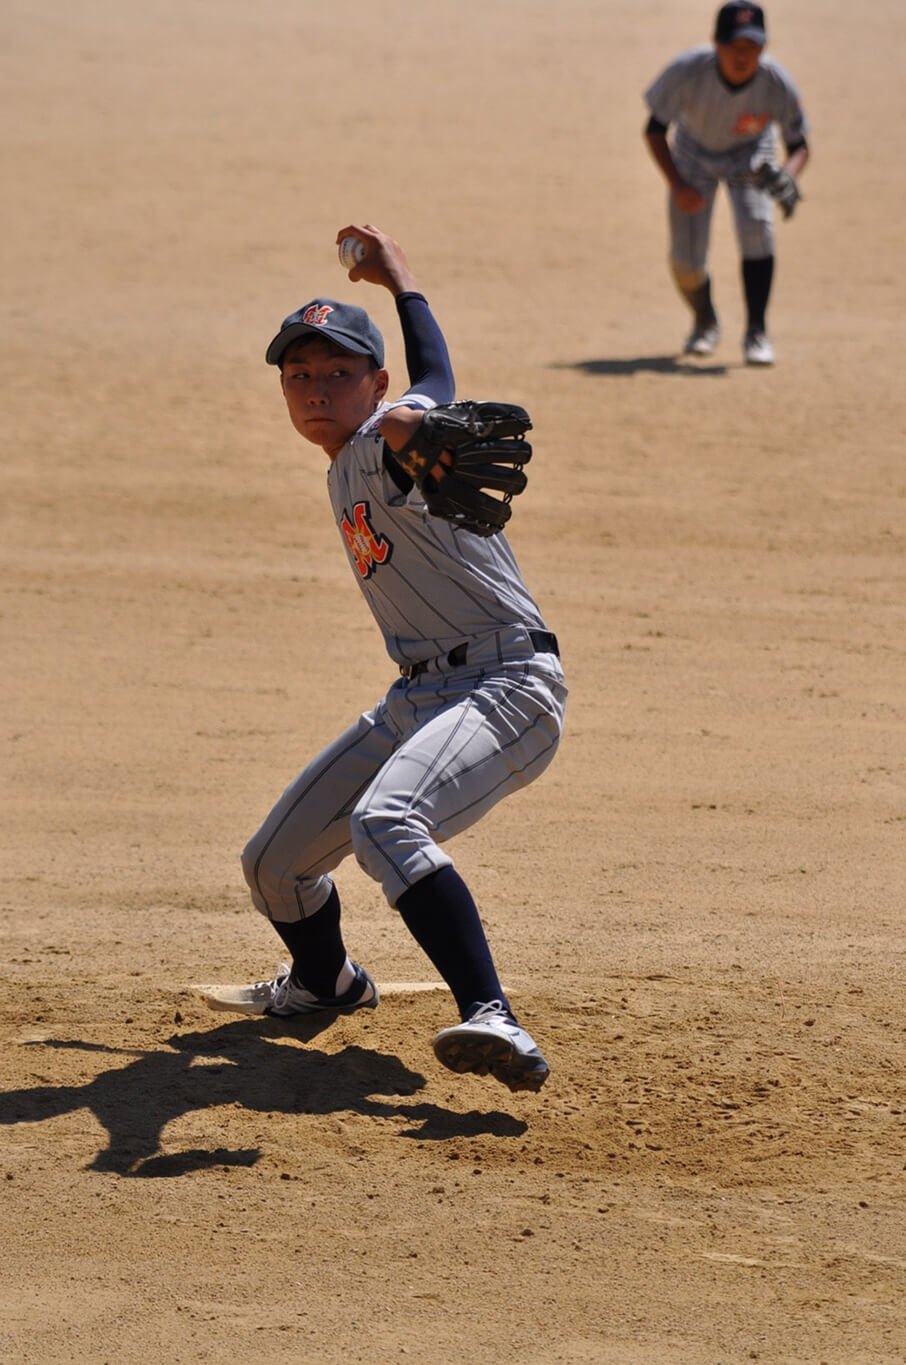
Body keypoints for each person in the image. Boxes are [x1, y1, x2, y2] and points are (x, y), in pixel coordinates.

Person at [213, 224, 567, 1094]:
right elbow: (436, 377)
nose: (314, 388)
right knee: (273, 865)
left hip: (506, 685)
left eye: (337, 373)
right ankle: (326, 981)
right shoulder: (346, 455)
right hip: (420, 696)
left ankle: (493, 1013)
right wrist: (398, 274)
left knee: (386, 823)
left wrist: (410, 424)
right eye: (298, 375)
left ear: (371, 384)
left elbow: (418, 410)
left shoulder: (383, 441)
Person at [643, 1, 810, 366]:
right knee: (685, 262)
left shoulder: (775, 81)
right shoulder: (687, 71)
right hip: (692, 158)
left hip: (749, 157)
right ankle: (705, 321)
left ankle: (756, 331)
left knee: (758, 231)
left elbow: (799, 146)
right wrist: (677, 183)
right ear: (716, 43)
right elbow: (654, 129)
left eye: (752, 47)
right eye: (735, 46)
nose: (743, 55)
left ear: (763, 48)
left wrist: (787, 175)